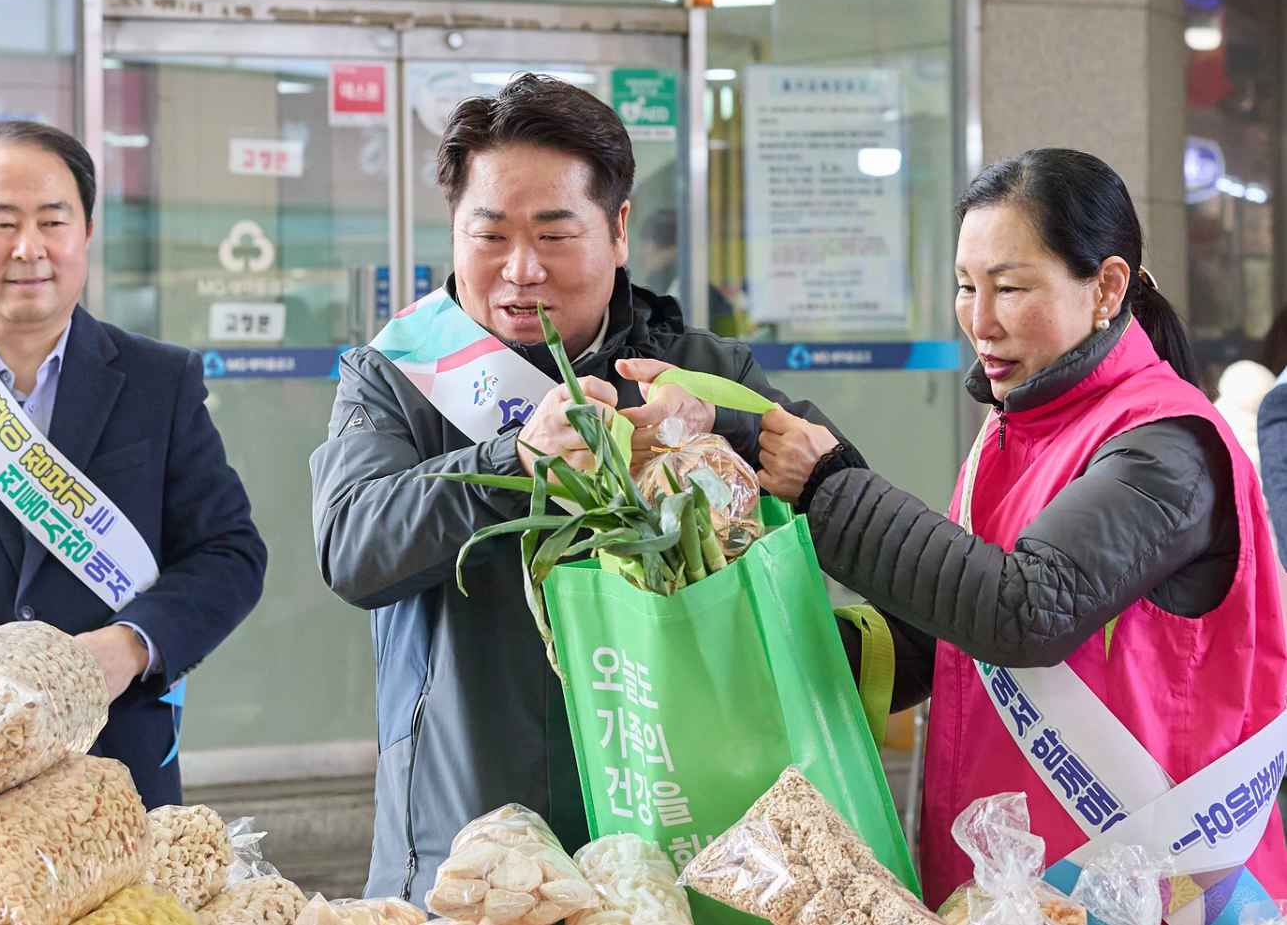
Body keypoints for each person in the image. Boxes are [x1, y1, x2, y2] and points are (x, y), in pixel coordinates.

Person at [308, 73, 864, 905]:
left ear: (618, 230)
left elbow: (846, 495)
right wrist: (514, 462)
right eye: (488, 235)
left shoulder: (696, 369)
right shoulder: (399, 376)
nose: (519, 270)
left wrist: (725, 431)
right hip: (474, 849)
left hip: (677, 823)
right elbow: (353, 548)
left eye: (554, 234)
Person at [759, 148, 1287, 904]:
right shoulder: (1014, 430)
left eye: (1009, 288)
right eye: (965, 286)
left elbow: (1024, 610)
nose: (980, 320)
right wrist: (770, 647)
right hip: (1011, 888)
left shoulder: (1166, 445)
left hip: (1145, 891)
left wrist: (829, 488)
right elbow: (951, 633)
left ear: (1106, 287)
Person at [0, 120, 267, 808]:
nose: (29, 247)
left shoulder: (159, 380)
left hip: (113, 767)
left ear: (86, 233)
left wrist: (128, 646)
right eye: (2, 222)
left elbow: (229, 552)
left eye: (52, 221)